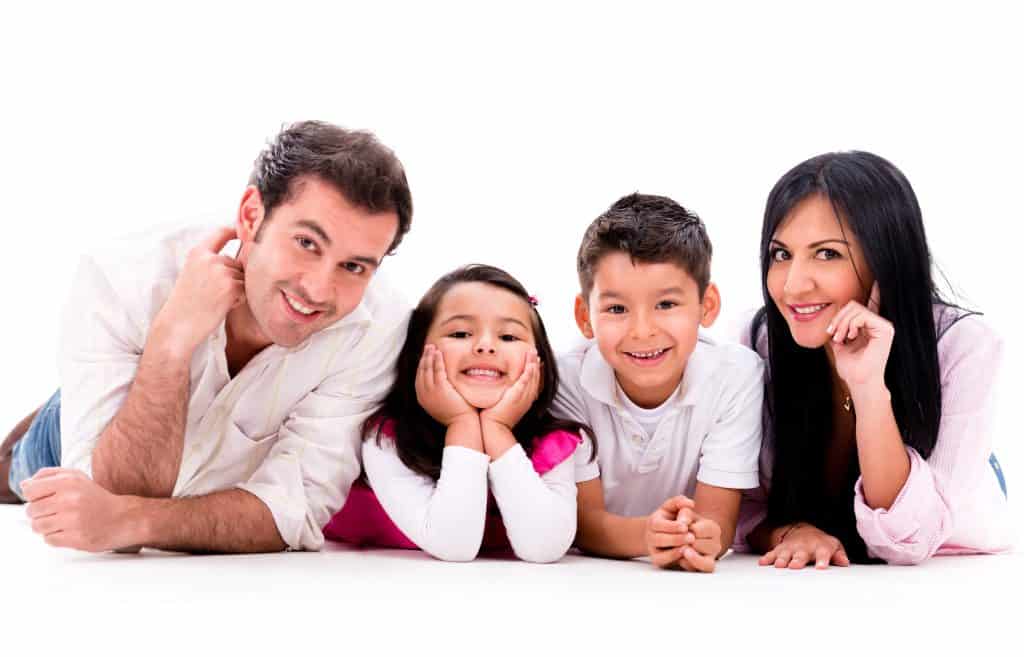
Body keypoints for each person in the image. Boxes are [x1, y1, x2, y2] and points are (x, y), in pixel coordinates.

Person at [0, 120, 414, 554]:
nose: (318, 290)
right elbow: (105, 503)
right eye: (307, 243)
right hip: (94, 432)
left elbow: (298, 510)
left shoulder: (377, 329)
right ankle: (58, 408)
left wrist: (137, 520)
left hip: (210, 465)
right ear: (252, 216)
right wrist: (172, 340)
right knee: (14, 473)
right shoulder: (124, 279)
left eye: (354, 267)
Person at [738, 150, 1011, 567]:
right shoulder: (758, 340)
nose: (792, 286)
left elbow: (908, 540)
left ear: (887, 257)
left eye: (827, 253)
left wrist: (868, 388)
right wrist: (791, 530)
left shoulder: (965, 346)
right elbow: (738, 506)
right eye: (781, 254)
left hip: (951, 541)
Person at [553, 194, 764, 572]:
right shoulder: (567, 381)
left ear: (707, 305)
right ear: (585, 316)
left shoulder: (736, 376)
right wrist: (647, 536)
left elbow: (718, 519)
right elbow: (582, 521)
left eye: (666, 304)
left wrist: (702, 537)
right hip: (591, 579)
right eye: (617, 309)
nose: (643, 331)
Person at [323, 265, 589, 563]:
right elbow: (454, 545)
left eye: (509, 337)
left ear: (540, 363)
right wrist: (462, 424)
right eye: (460, 333)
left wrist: (497, 430)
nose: (485, 346)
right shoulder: (386, 437)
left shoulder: (555, 443)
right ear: (417, 351)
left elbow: (544, 548)